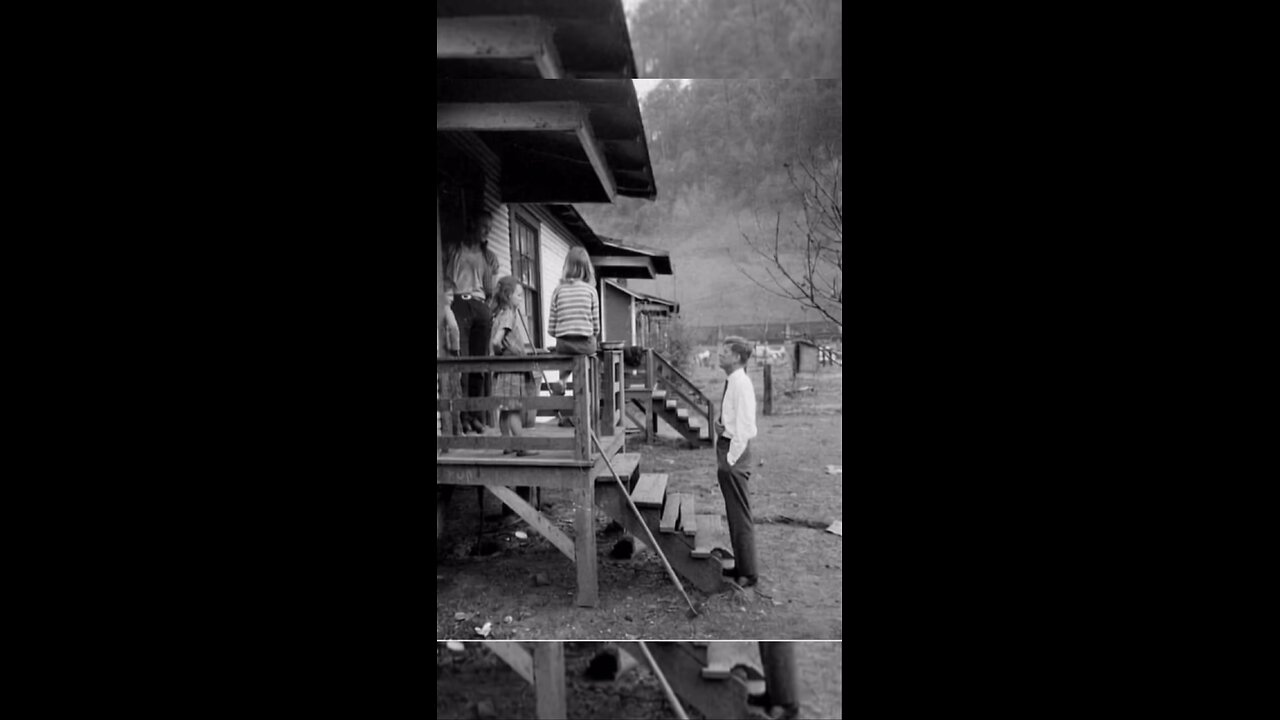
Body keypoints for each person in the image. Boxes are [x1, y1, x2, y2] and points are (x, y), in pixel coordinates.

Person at [444, 214, 500, 434]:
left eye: (489, 228)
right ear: (473, 225)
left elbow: (491, 290)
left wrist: (488, 310)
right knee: (464, 364)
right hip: (459, 303)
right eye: (483, 226)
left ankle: (476, 416)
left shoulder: (488, 256)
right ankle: (463, 416)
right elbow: (446, 279)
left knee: (479, 364)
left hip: (480, 305)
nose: (486, 231)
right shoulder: (455, 250)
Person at [715, 335, 760, 588]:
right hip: (728, 447)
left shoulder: (741, 384)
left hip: (735, 453)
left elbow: (745, 427)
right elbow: (733, 421)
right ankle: (741, 565)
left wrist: (730, 459)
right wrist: (720, 426)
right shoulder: (732, 381)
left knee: (740, 515)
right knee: (733, 513)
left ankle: (749, 573)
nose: (720, 354)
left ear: (737, 357)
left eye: (725, 351)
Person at [546, 247, 600, 426]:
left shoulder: (558, 290)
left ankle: (562, 381)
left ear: (567, 267)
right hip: (585, 345)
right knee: (589, 362)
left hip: (564, 344)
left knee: (566, 359)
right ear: (587, 268)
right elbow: (596, 327)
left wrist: (563, 333)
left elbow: (551, 328)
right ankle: (587, 395)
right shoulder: (591, 291)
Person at [490, 276, 538, 458]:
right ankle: (521, 446)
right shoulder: (508, 315)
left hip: (503, 371)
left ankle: (507, 444)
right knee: (513, 409)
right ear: (508, 296)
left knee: (505, 409)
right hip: (511, 369)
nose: (521, 299)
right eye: (518, 295)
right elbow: (496, 341)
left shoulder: (500, 314)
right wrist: (501, 352)